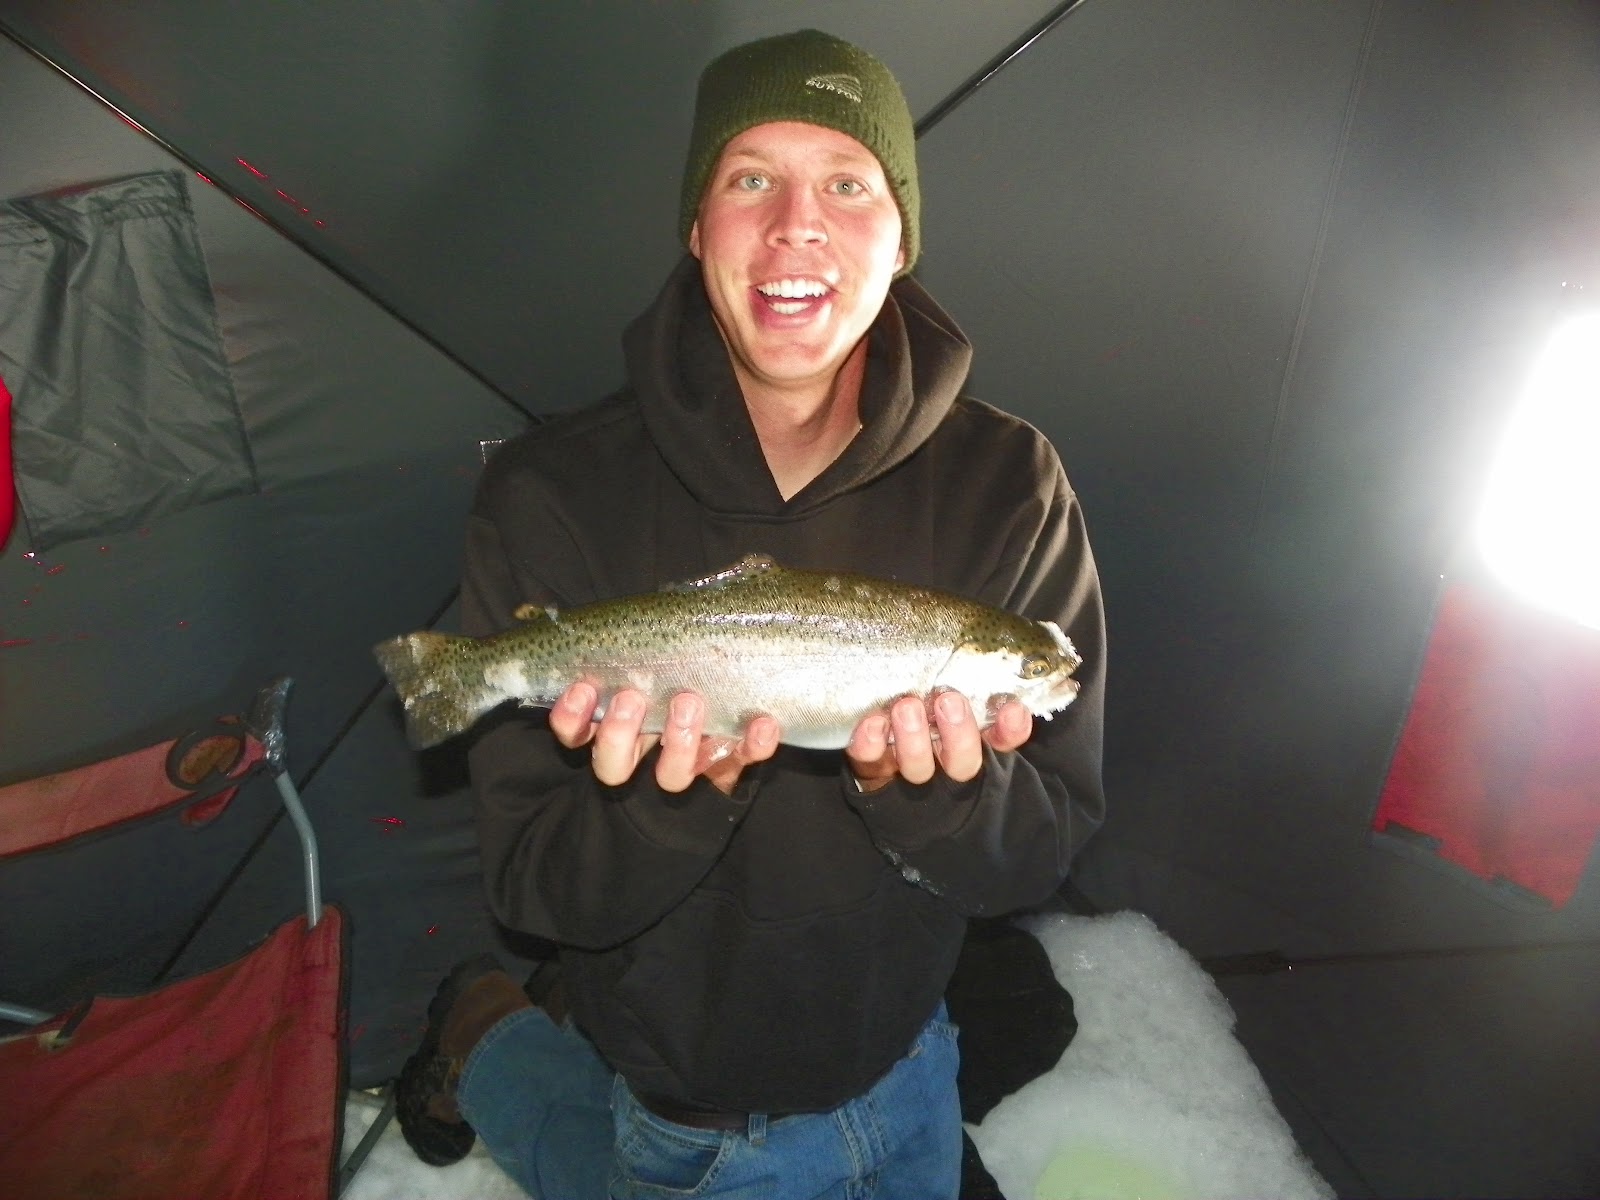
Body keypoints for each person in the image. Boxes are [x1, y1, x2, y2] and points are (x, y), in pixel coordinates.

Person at [395, 28, 1106, 1200]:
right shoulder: (547, 491)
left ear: (900, 233)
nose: (796, 224)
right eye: (748, 179)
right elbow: (531, 888)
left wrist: (934, 795)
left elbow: (1038, 844)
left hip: (908, 1056)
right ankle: (485, 1036)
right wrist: (666, 806)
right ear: (695, 227)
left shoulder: (1012, 486)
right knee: (598, 1164)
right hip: (679, 1095)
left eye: (846, 181)